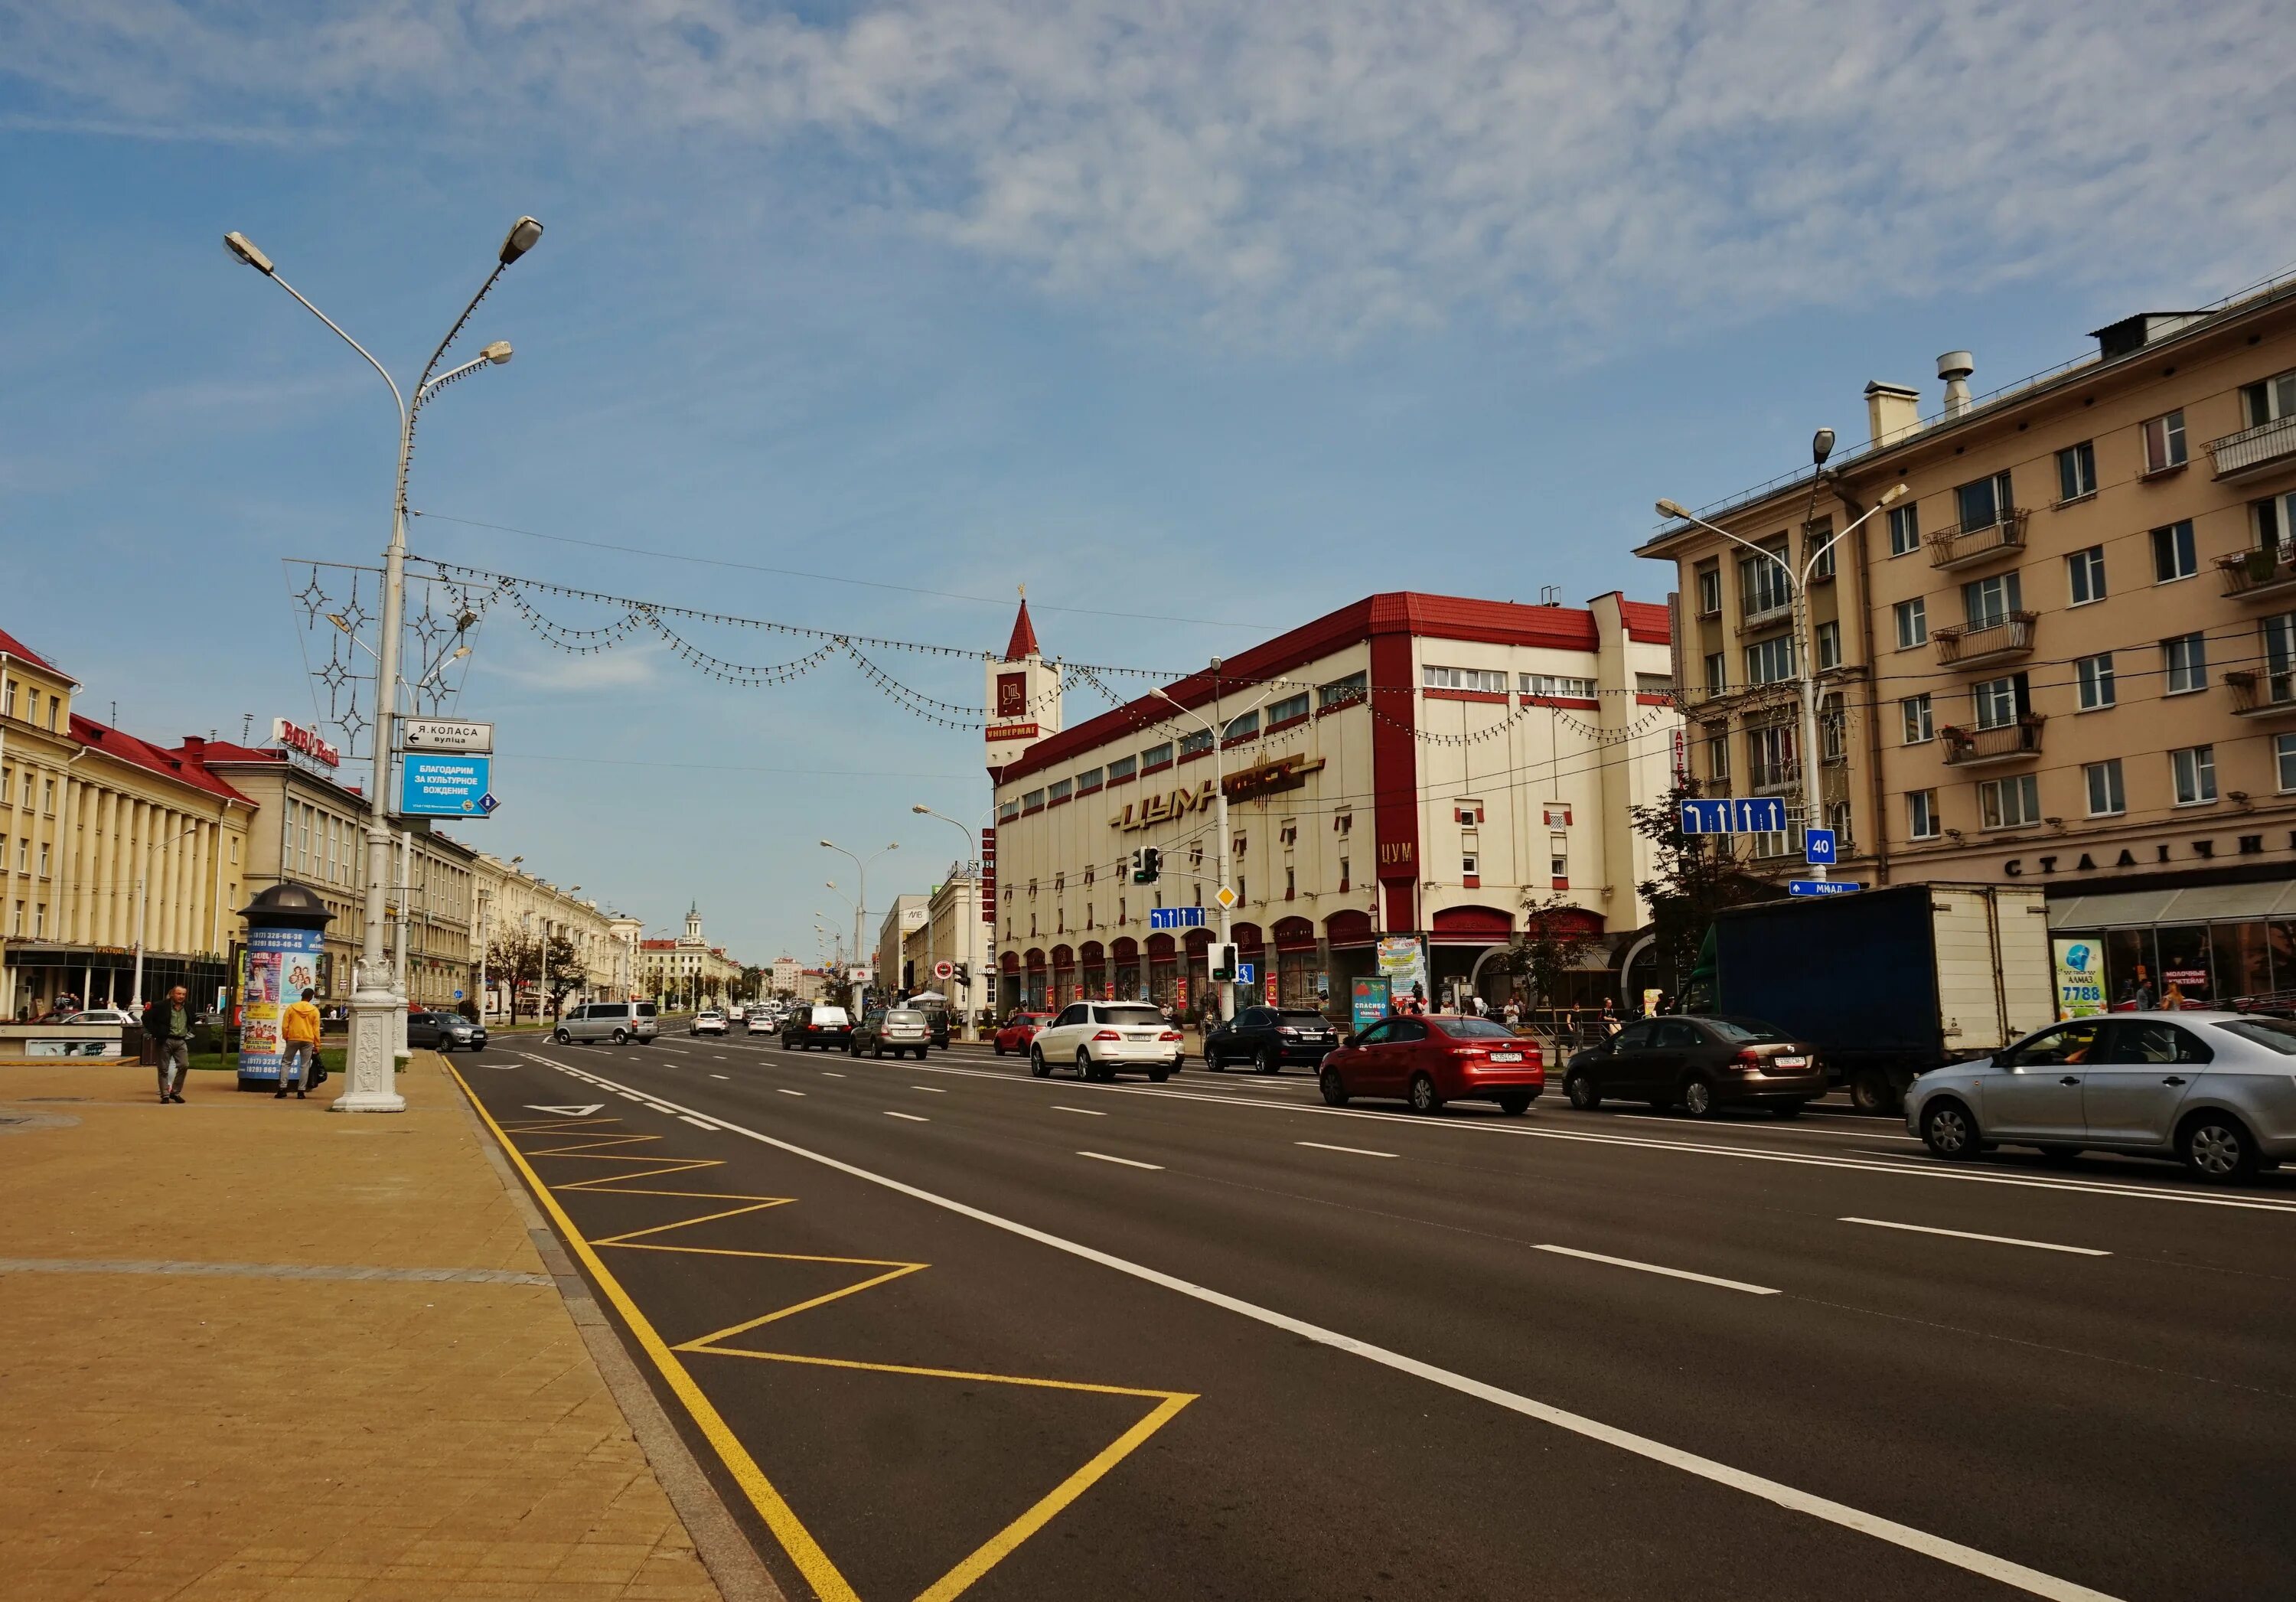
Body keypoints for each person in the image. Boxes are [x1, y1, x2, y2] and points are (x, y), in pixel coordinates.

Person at [143, 985, 194, 1103]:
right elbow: (146, 1018)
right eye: (179, 994)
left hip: (181, 1040)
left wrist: (191, 1030)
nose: (181, 996)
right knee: (163, 1069)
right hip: (165, 1040)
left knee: (184, 1065)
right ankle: (165, 1095)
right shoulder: (161, 1006)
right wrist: (155, 1032)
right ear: (172, 994)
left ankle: (175, 1092)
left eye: (183, 994)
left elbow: (192, 1019)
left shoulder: (188, 1006)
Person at [278, 987, 322, 1100]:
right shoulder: (314, 1011)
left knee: (286, 1063)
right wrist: (317, 1045)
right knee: (305, 1065)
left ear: (301, 995)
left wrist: (286, 1036)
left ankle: (282, 1089)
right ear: (311, 998)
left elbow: (285, 1025)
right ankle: (301, 1091)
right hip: (308, 1039)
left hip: (293, 1038)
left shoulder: (291, 1008)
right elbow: (316, 1029)